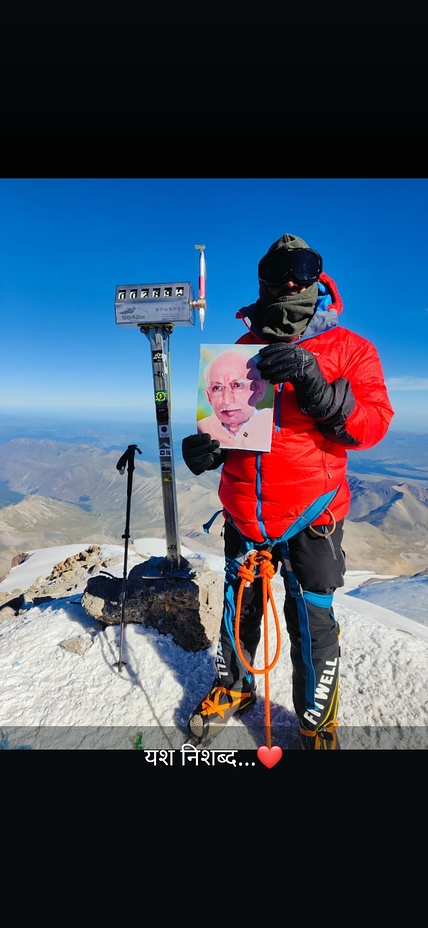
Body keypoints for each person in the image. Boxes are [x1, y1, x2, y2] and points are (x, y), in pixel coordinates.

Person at [182, 233, 394, 750]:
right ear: (262, 282)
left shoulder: (350, 350)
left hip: (311, 514)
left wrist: (318, 388)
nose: (291, 283)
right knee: (240, 605)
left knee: (312, 621)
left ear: (319, 280)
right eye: (279, 273)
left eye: (302, 271)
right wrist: (208, 449)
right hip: (244, 510)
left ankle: (316, 721)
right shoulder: (237, 354)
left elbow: (373, 424)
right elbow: (234, 429)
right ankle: (235, 688)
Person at [197, 348, 273, 450]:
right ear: (208, 396)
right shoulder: (202, 429)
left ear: (259, 389)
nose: (227, 400)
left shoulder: (273, 422)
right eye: (217, 388)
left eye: (237, 385)